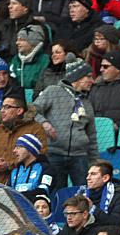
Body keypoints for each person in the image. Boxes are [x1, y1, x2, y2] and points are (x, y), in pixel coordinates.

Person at [32, 54, 99, 190]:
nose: (92, 81)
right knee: (57, 193)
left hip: (80, 156)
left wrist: (94, 162)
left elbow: (91, 135)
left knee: (82, 193)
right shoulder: (53, 91)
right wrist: (44, 123)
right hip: (54, 153)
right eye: (88, 77)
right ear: (77, 78)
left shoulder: (87, 103)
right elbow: (33, 110)